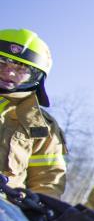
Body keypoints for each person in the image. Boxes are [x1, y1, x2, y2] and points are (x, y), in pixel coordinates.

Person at [0, 29, 67, 198]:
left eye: (22, 69)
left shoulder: (41, 126)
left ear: (36, 77)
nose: (10, 73)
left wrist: (35, 213)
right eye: (2, 62)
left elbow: (47, 181)